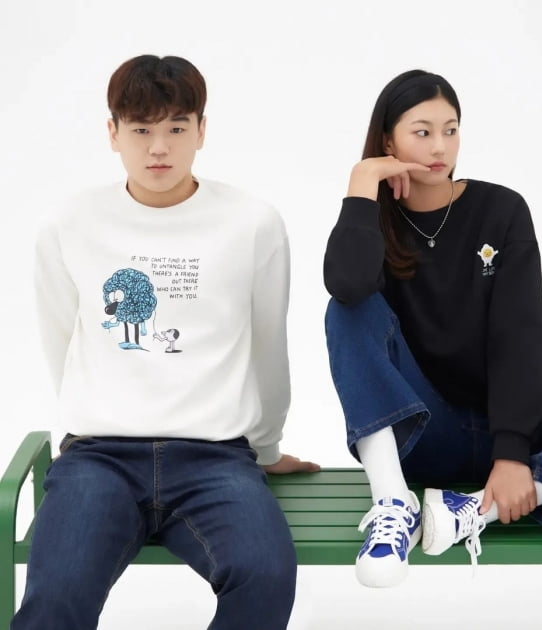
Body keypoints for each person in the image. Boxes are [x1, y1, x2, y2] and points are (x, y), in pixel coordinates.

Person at [12, 54, 319, 630]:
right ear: (113, 133)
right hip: (98, 457)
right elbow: (60, 338)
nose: (159, 148)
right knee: (55, 598)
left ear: (202, 130)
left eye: (177, 128)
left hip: (215, 457)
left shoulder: (251, 222)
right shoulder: (69, 223)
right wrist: (92, 415)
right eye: (141, 130)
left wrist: (267, 448)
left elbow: (268, 345)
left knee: (265, 575)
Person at [323, 69, 542, 588]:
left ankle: (475, 509)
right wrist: (360, 186)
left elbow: (520, 337)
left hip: (512, 433)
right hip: (424, 435)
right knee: (347, 308)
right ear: (388, 142)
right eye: (422, 132)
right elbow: (347, 287)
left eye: (451, 130)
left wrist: (511, 453)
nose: (440, 146)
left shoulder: (501, 210)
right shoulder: (372, 222)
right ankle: (394, 504)